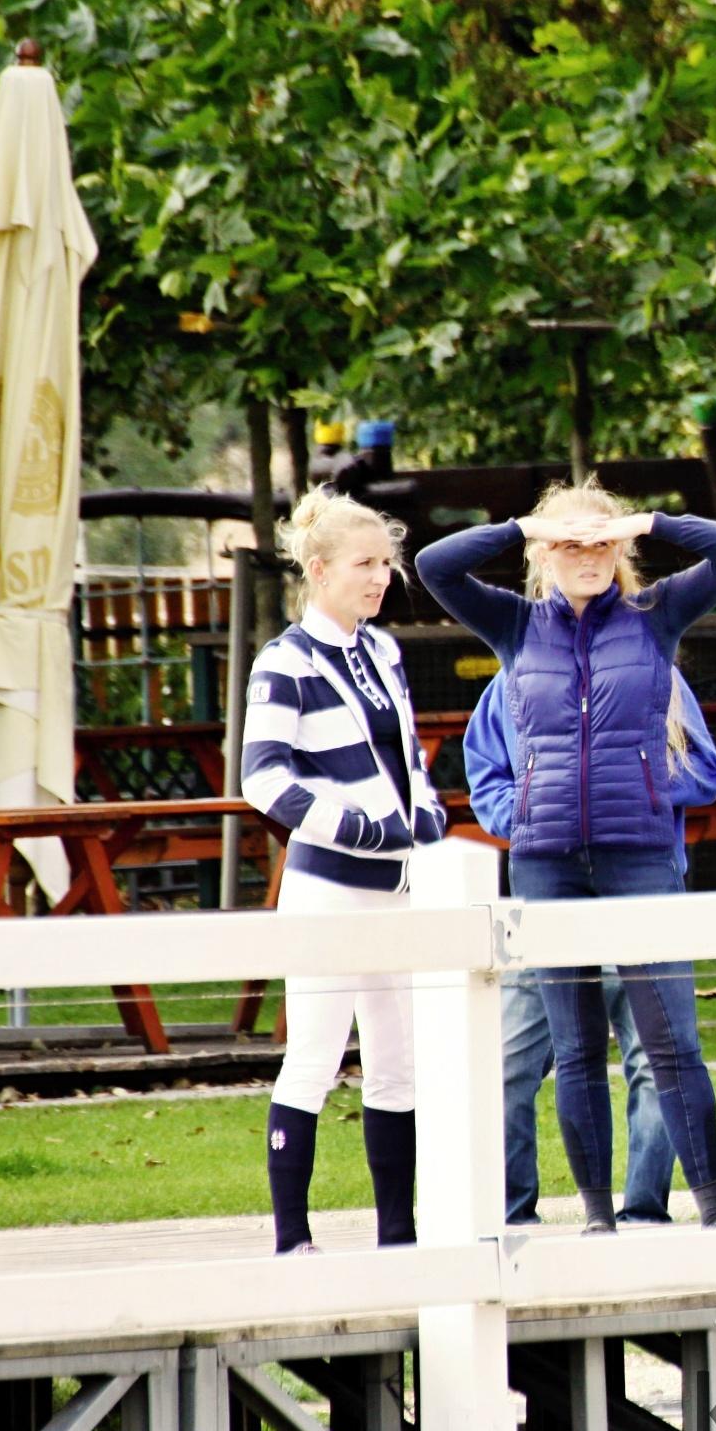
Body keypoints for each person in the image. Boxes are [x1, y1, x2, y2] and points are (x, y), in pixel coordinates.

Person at [416, 480, 716, 1232]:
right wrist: (525, 527)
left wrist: (645, 521)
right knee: (574, 1053)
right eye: (571, 545)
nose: (588, 557)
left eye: (602, 544)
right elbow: (435, 565)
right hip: (548, 864)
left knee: (672, 1047)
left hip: (640, 857)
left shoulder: (655, 617)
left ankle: (712, 1211)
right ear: (546, 553)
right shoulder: (514, 626)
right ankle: (598, 1218)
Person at [240, 488, 449, 1254]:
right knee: (314, 1058)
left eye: (387, 564)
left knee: (400, 1064)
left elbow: (407, 757)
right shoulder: (284, 662)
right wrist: (356, 826)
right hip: (328, 888)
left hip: (399, 887)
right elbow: (262, 778)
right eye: (365, 564)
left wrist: (429, 814)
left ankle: (399, 1236)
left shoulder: (384, 651)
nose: (381, 578)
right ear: (320, 570)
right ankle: (292, 1238)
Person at [466, 667, 716, 1226]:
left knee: (657, 1064)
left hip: (641, 897)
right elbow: (484, 773)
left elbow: (706, 770)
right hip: (547, 904)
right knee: (507, 1062)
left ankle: (643, 1212)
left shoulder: (656, 671)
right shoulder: (514, 677)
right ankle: (513, 1215)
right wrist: (534, 810)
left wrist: (621, 792)